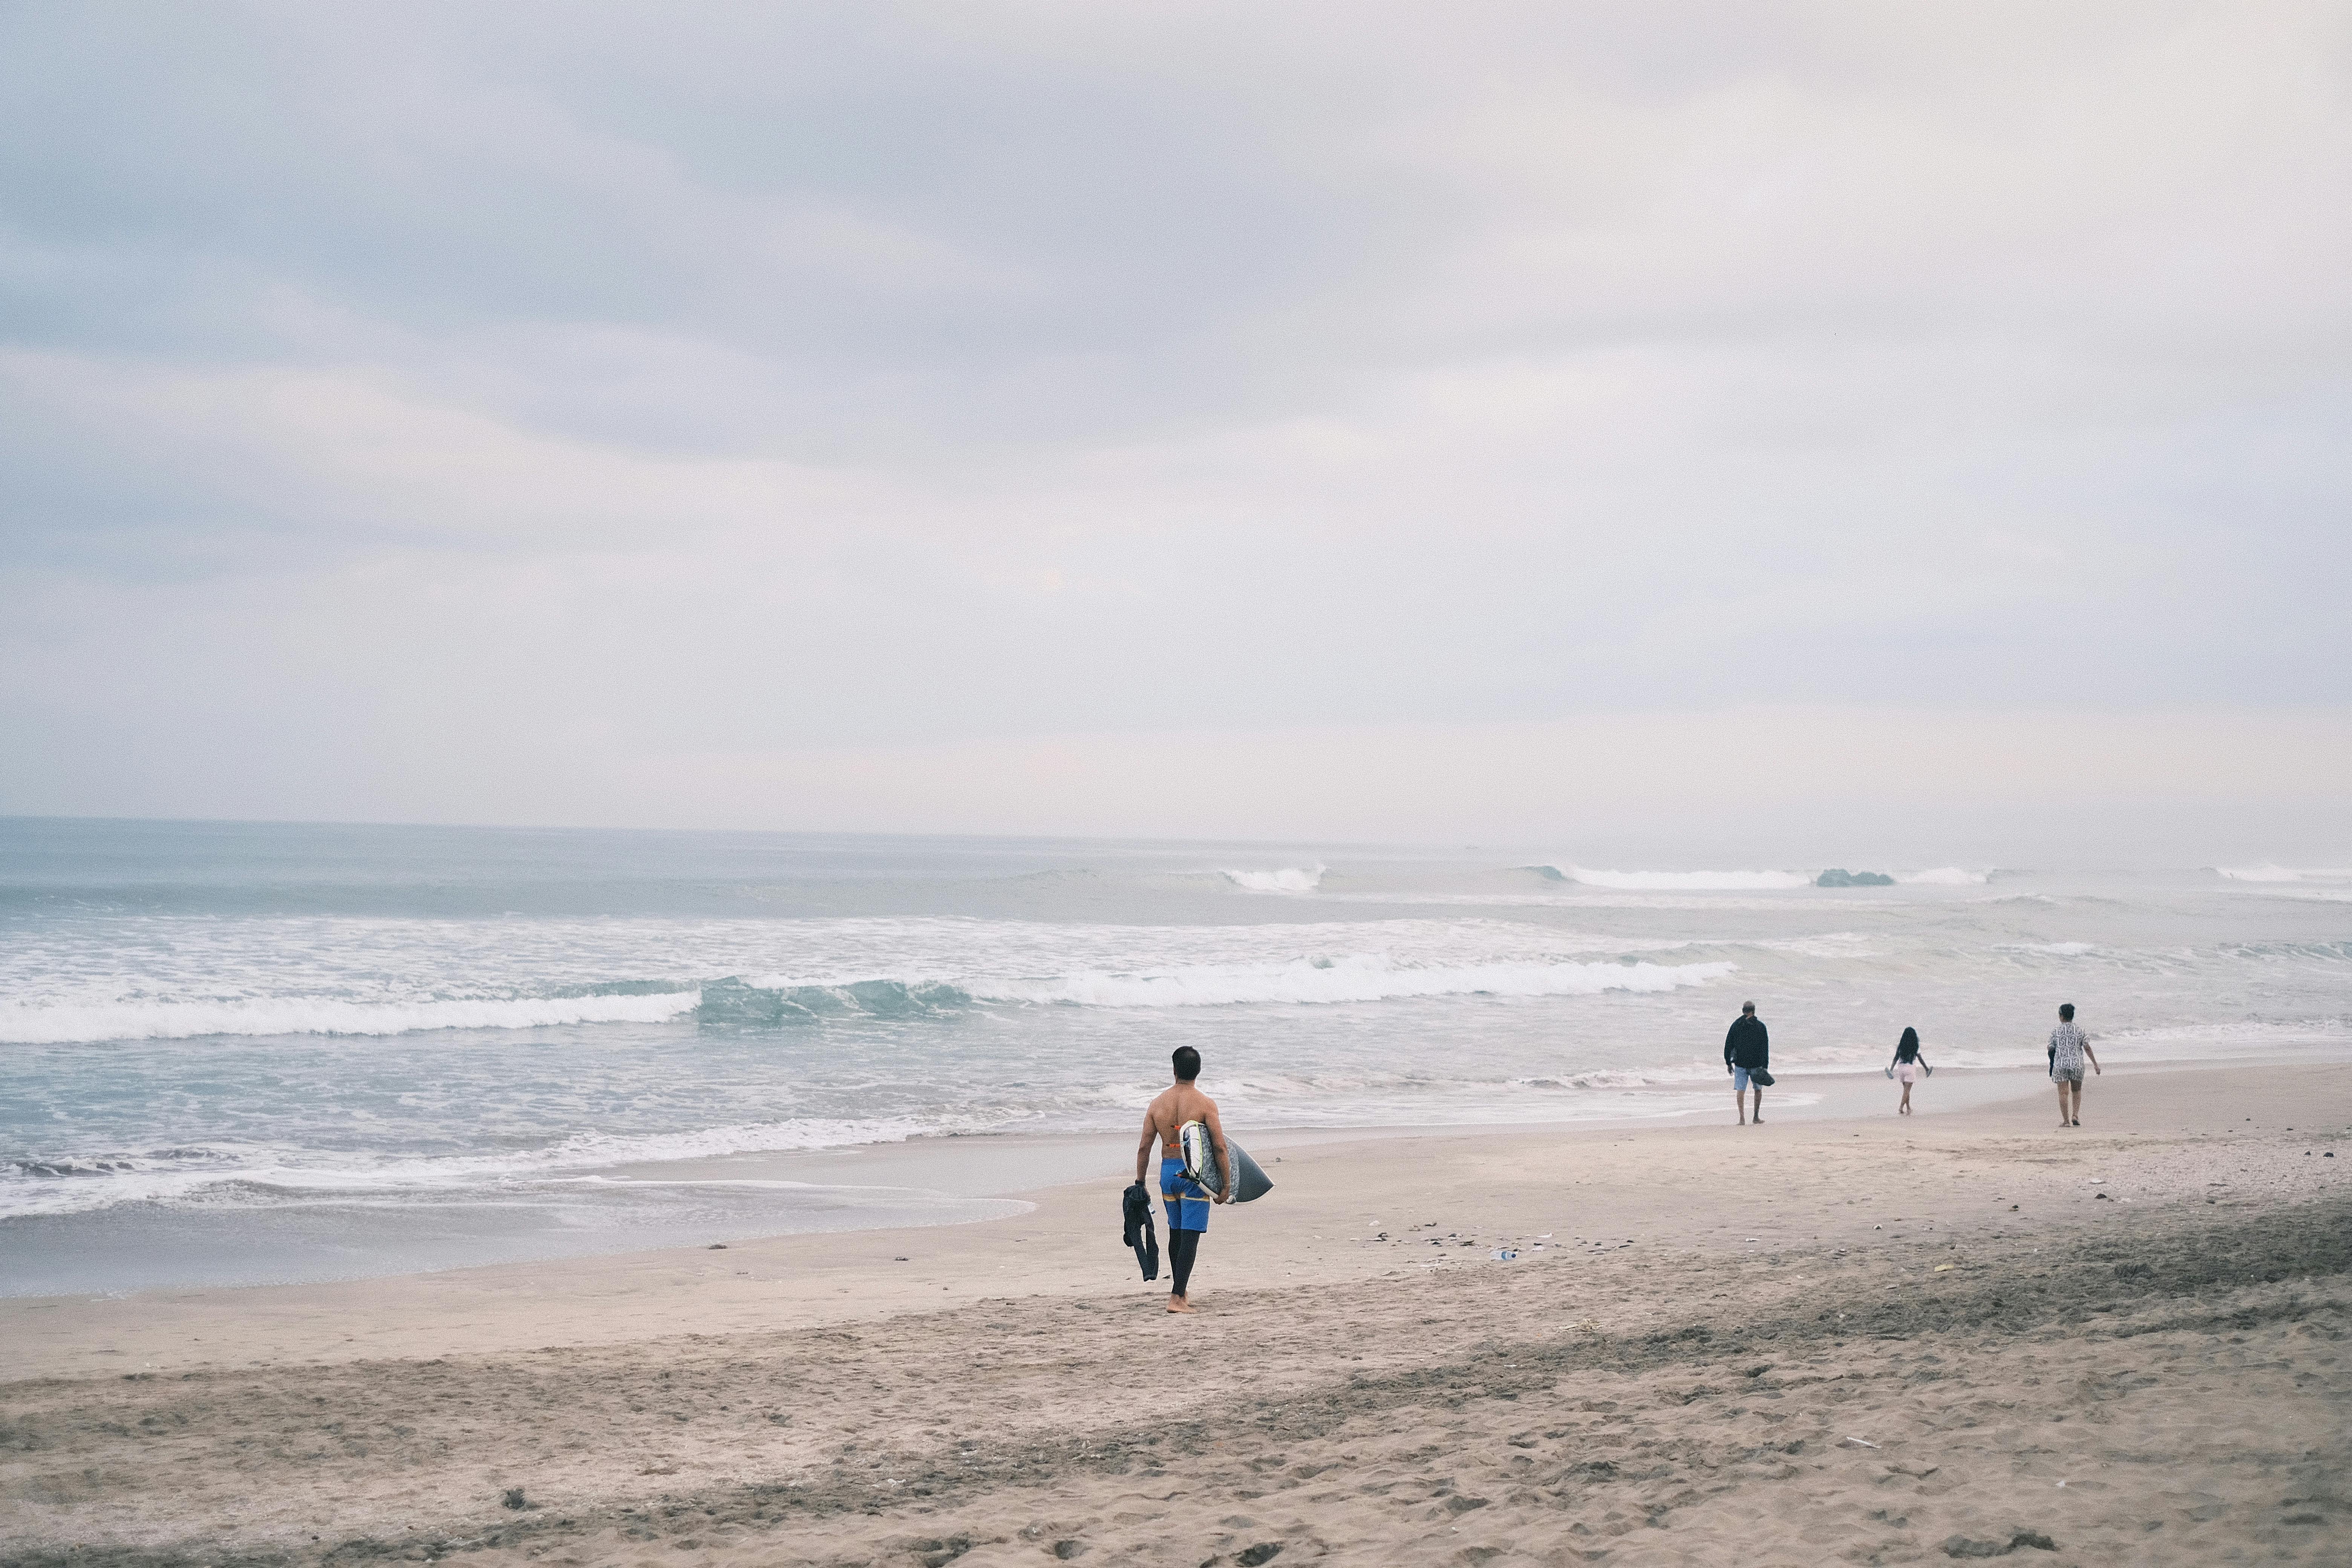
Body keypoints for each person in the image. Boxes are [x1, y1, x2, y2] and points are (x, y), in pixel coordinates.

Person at [1135, 1045, 1228, 1313]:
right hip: (1193, 1175)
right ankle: (1176, 1298)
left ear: (1174, 1070)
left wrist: (1140, 1183)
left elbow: (1144, 1148)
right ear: (1198, 1071)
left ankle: (1182, 1290)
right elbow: (1220, 1147)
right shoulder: (1206, 1104)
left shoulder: (1157, 1104)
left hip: (1168, 1174)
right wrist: (1226, 1185)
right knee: (1190, 1236)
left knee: (1176, 1232)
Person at [2048, 1002, 2099, 1129]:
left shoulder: (2056, 1031)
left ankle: (2066, 1121)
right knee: (2076, 1091)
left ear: (2062, 1017)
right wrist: (2095, 1064)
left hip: (2061, 1065)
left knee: (2063, 1093)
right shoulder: (2080, 1030)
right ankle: (2075, 1116)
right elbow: (2087, 1047)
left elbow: (2050, 1048)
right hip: (2077, 1065)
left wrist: (2052, 1062)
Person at [1724, 1001, 1769, 1125]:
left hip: (1741, 1064)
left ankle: (1742, 1119)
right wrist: (1765, 1066)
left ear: (1743, 1011)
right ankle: (1756, 1117)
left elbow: (1729, 1044)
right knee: (1758, 1090)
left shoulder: (1736, 1025)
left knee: (1741, 1090)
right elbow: (1765, 1048)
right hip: (1757, 1064)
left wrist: (1728, 1063)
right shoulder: (1761, 1027)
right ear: (1754, 1011)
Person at [1889, 1026, 1928, 1115]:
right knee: (1907, 1090)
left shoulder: (1901, 1046)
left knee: (1906, 1090)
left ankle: (1908, 1108)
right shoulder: (1915, 1047)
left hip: (1901, 1068)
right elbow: (1921, 1060)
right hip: (1910, 1069)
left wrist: (1891, 1069)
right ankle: (1901, 1108)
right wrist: (1926, 1069)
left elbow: (1896, 1058)